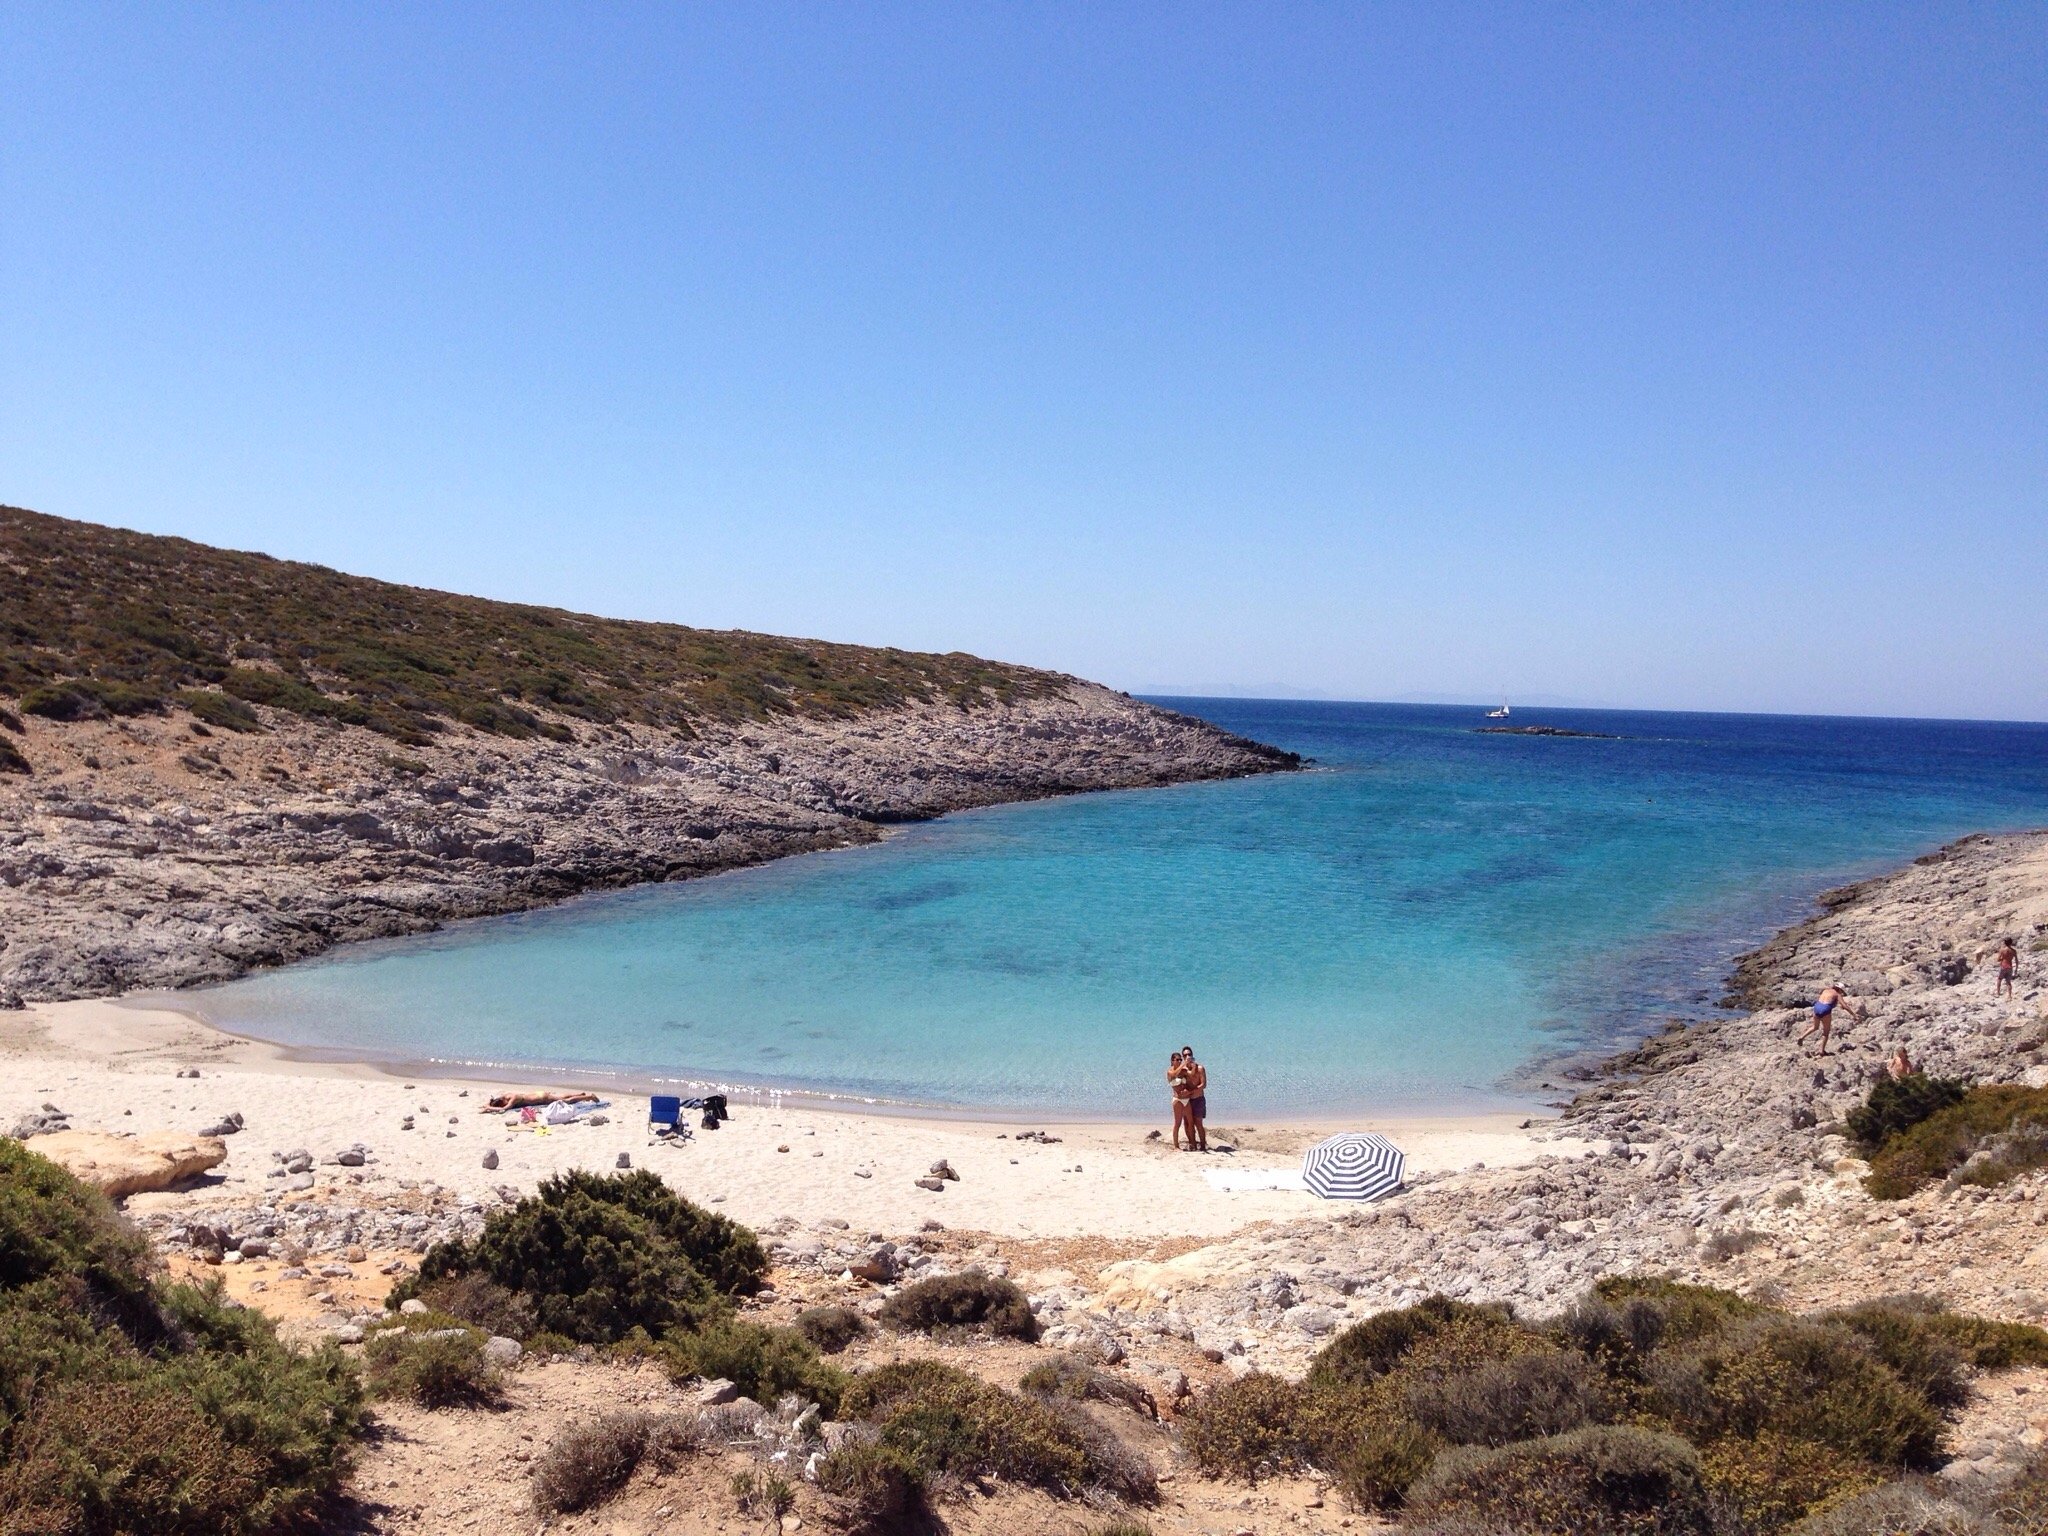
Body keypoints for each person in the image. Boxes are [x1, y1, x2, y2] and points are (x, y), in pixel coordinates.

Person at [1797, 985, 1865, 1056]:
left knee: (1815, 1027)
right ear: (1839, 989)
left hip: (1816, 1008)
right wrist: (1854, 1015)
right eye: (1841, 991)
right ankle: (1821, 1050)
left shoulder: (1825, 990)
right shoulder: (1837, 994)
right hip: (1825, 1010)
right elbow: (1844, 1006)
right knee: (1826, 1032)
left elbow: (1827, 1000)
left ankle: (1802, 1037)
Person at [1181, 1043, 1209, 1152]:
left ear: (1192, 1055)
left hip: (1198, 1100)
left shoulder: (1200, 1068)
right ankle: (1192, 1144)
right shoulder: (1183, 1070)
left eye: (1189, 1054)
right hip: (1187, 1100)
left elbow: (1204, 1085)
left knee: (1198, 1123)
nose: (1187, 1056)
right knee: (1187, 1124)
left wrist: (1193, 1090)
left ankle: (1202, 1145)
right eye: (1185, 1055)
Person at [1166, 1050, 1192, 1149]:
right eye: (1177, 1060)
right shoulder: (1170, 1071)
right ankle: (1176, 1146)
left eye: (1181, 1060)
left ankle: (1192, 1142)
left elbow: (1191, 1076)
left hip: (1186, 1098)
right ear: (1172, 1061)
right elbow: (1174, 1075)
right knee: (1178, 1123)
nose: (1180, 1061)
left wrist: (1191, 1065)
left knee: (1190, 1121)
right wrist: (1183, 1065)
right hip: (1177, 1099)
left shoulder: (1183, 1070)